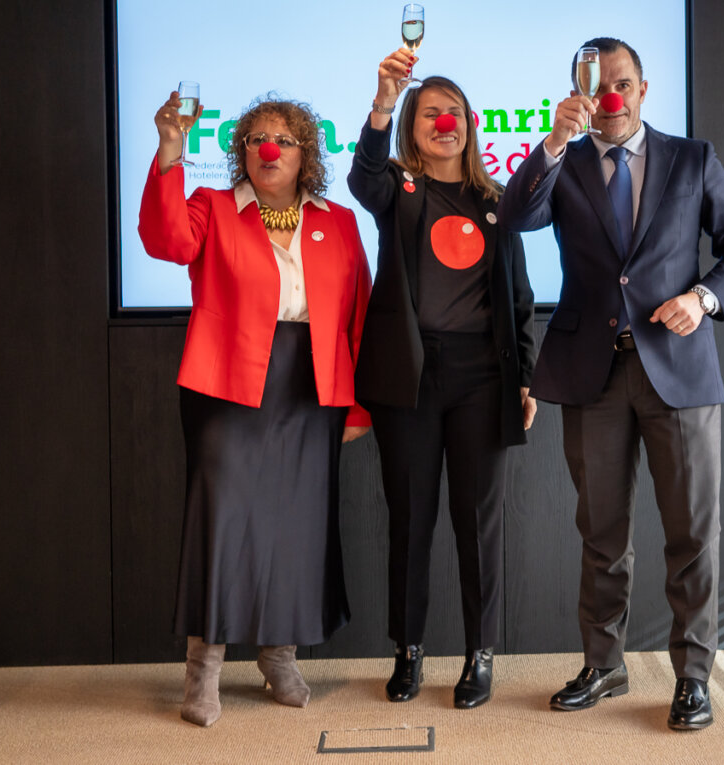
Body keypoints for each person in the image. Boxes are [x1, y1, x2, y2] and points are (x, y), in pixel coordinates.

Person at [499, 38, 724, 731]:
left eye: (621, 83)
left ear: (643, 89)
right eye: (596, 86)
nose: (610, 97)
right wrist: (553, 143)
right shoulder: (565, 161)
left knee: (692, 533)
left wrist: (703, 298)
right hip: (593, 372)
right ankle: (604, 661)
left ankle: (694, 676)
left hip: (678, 369)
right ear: (579, 95)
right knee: (601, 531)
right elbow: (515, 220)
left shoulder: (692, 158)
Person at [139, 92, 372, 728]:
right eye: (256, 138)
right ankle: (204, 668)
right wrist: (169, 150)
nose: (269, 149)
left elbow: (357, 318)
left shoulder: (340, 222)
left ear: (305, 156)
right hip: (225, 381)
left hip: (312, 383)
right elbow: (163, 241)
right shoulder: (212, 208)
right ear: (242, 151)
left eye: (285, 140)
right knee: (222, 520)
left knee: (298, 522)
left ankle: (280, 655)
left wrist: (354, 407)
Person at [347, 50, 537, 710]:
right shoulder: (397, 191)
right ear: (412, 126)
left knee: (476, 522)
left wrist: (527, 378)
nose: (444, 121)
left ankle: (480, 654)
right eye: (430, 112)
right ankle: (409, 651)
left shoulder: (498, 202)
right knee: (410, 517)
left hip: (482, 377)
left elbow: (520, 297)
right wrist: (381, 100)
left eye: (453, 112)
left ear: (472, 124)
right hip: (409, 376)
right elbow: (362, 175)